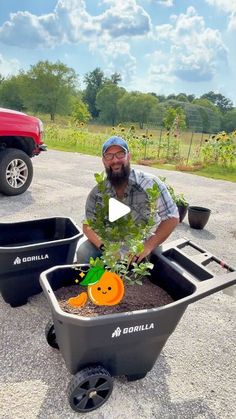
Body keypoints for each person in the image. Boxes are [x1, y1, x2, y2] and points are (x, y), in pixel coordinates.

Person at [77, 136, 179, 263]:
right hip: (112, 245)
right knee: (85, 253)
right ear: (104, 161)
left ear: (129, 157)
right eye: (109, 156)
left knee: (155, 263)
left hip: (142, 244)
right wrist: (106, 248)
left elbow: (172, 217)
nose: (115, 160)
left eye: (120, 154)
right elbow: (88, 225)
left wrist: (147, 247)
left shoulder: (149, 183)